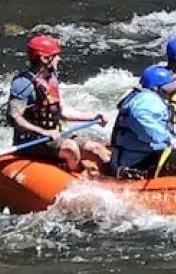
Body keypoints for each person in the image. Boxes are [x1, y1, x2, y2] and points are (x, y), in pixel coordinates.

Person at [8, 34, 109, 174]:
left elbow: (63, 112)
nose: (59, 59)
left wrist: (93, 117)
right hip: (31, 141)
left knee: (96, 149)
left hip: (54, 135)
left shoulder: (51, 78)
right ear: (44, 59)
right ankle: (77, 178)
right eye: (55, 55)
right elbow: (14, 118)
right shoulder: (22, 84)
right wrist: (44, 132)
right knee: (71, 149)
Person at [111, 66, 176, 177]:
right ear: (156, 87)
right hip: (136, 162)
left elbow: (159, 124)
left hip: (140, 153)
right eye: (169, 85)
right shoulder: (148, 100)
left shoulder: (144, 97)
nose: (172, 88)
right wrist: (166, 138)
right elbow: (141, 119)